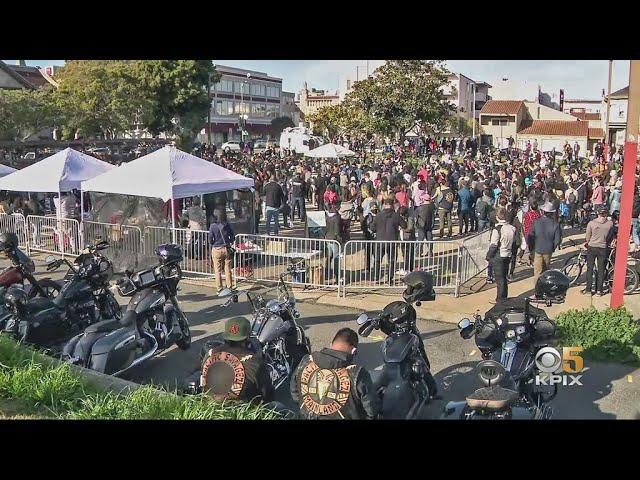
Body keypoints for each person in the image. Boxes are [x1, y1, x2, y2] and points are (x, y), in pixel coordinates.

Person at [291, 327, 381, 420]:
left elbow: (295, 393)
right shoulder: (358, 373)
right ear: (353, 351)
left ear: (331, 344)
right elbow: (371, 409)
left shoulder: (306, 361)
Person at [199, 316, 274, 402]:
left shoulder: (210, 354)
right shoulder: (254, 362)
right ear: (248, 336)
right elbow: (267, 394)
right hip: (242, 410)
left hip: (209, 405)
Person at [371, 197, 406, 284]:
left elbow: (372, 228)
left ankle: (376, 277)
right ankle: (390, 279)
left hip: (380, 241)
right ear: (392, 205)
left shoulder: (378, 215)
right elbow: (404, 225)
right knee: (392, 261)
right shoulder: (396, 216)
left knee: (377, 260)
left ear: (384, 205)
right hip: (392, 241)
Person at [583, 204, 613, 296]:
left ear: (597, 213)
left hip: (592, 247)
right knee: (601, 269)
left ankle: (588, 290)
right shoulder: (609, 224)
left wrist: (587, 242)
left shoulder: (591, 223)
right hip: (603, 247)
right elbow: (610, 237)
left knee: (590, 268)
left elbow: (587, 237)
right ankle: (599, 290)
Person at [486, 207, 516, 301]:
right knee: (504, 277)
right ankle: (504, 297)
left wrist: (488, 256)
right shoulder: (512, 228)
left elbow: (494, 245)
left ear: (497, 217)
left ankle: (500, 300)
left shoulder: (497, 229)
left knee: (500, 279)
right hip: (508, 254)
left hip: (499, 255)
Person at [527, 202, 561, 281]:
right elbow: (557, 240)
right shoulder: (555, 224)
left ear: (543, 212)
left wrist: (531, 249)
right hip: (548, 250)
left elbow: (530, 237)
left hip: (537, 249)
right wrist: (552, 248)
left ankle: (537, 289)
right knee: (545, 272)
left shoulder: (536, 222)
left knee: (537, 272)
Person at [208, 210, 234, 293]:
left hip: (216, 249)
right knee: (228, 269)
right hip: (226, 248)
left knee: (217, 270)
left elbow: (210, 239)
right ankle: (229, 286)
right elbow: (232, 236)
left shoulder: (213, 226)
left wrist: (213, 243)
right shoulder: (227, 225)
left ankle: (219, 288)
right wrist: (230, 242)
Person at [324, 203, 344, 284]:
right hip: (335, 240)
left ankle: (327, 273)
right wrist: (340, 240)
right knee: (336, 258)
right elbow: (337, 231)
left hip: (328, 238)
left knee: (329, 257)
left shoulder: (327, 217)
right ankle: (337, 276)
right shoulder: (337, 218)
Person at [263, 172, 285, 236]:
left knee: (268, 221)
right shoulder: (278, 186)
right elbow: (282, 196)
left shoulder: (266, 186)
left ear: (270, 179)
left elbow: (263, 194)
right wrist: (282, 204)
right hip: (276, 205)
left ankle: (267, 232)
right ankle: (276, 233)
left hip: (269, 205)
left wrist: (265, 200)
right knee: (276, 221)